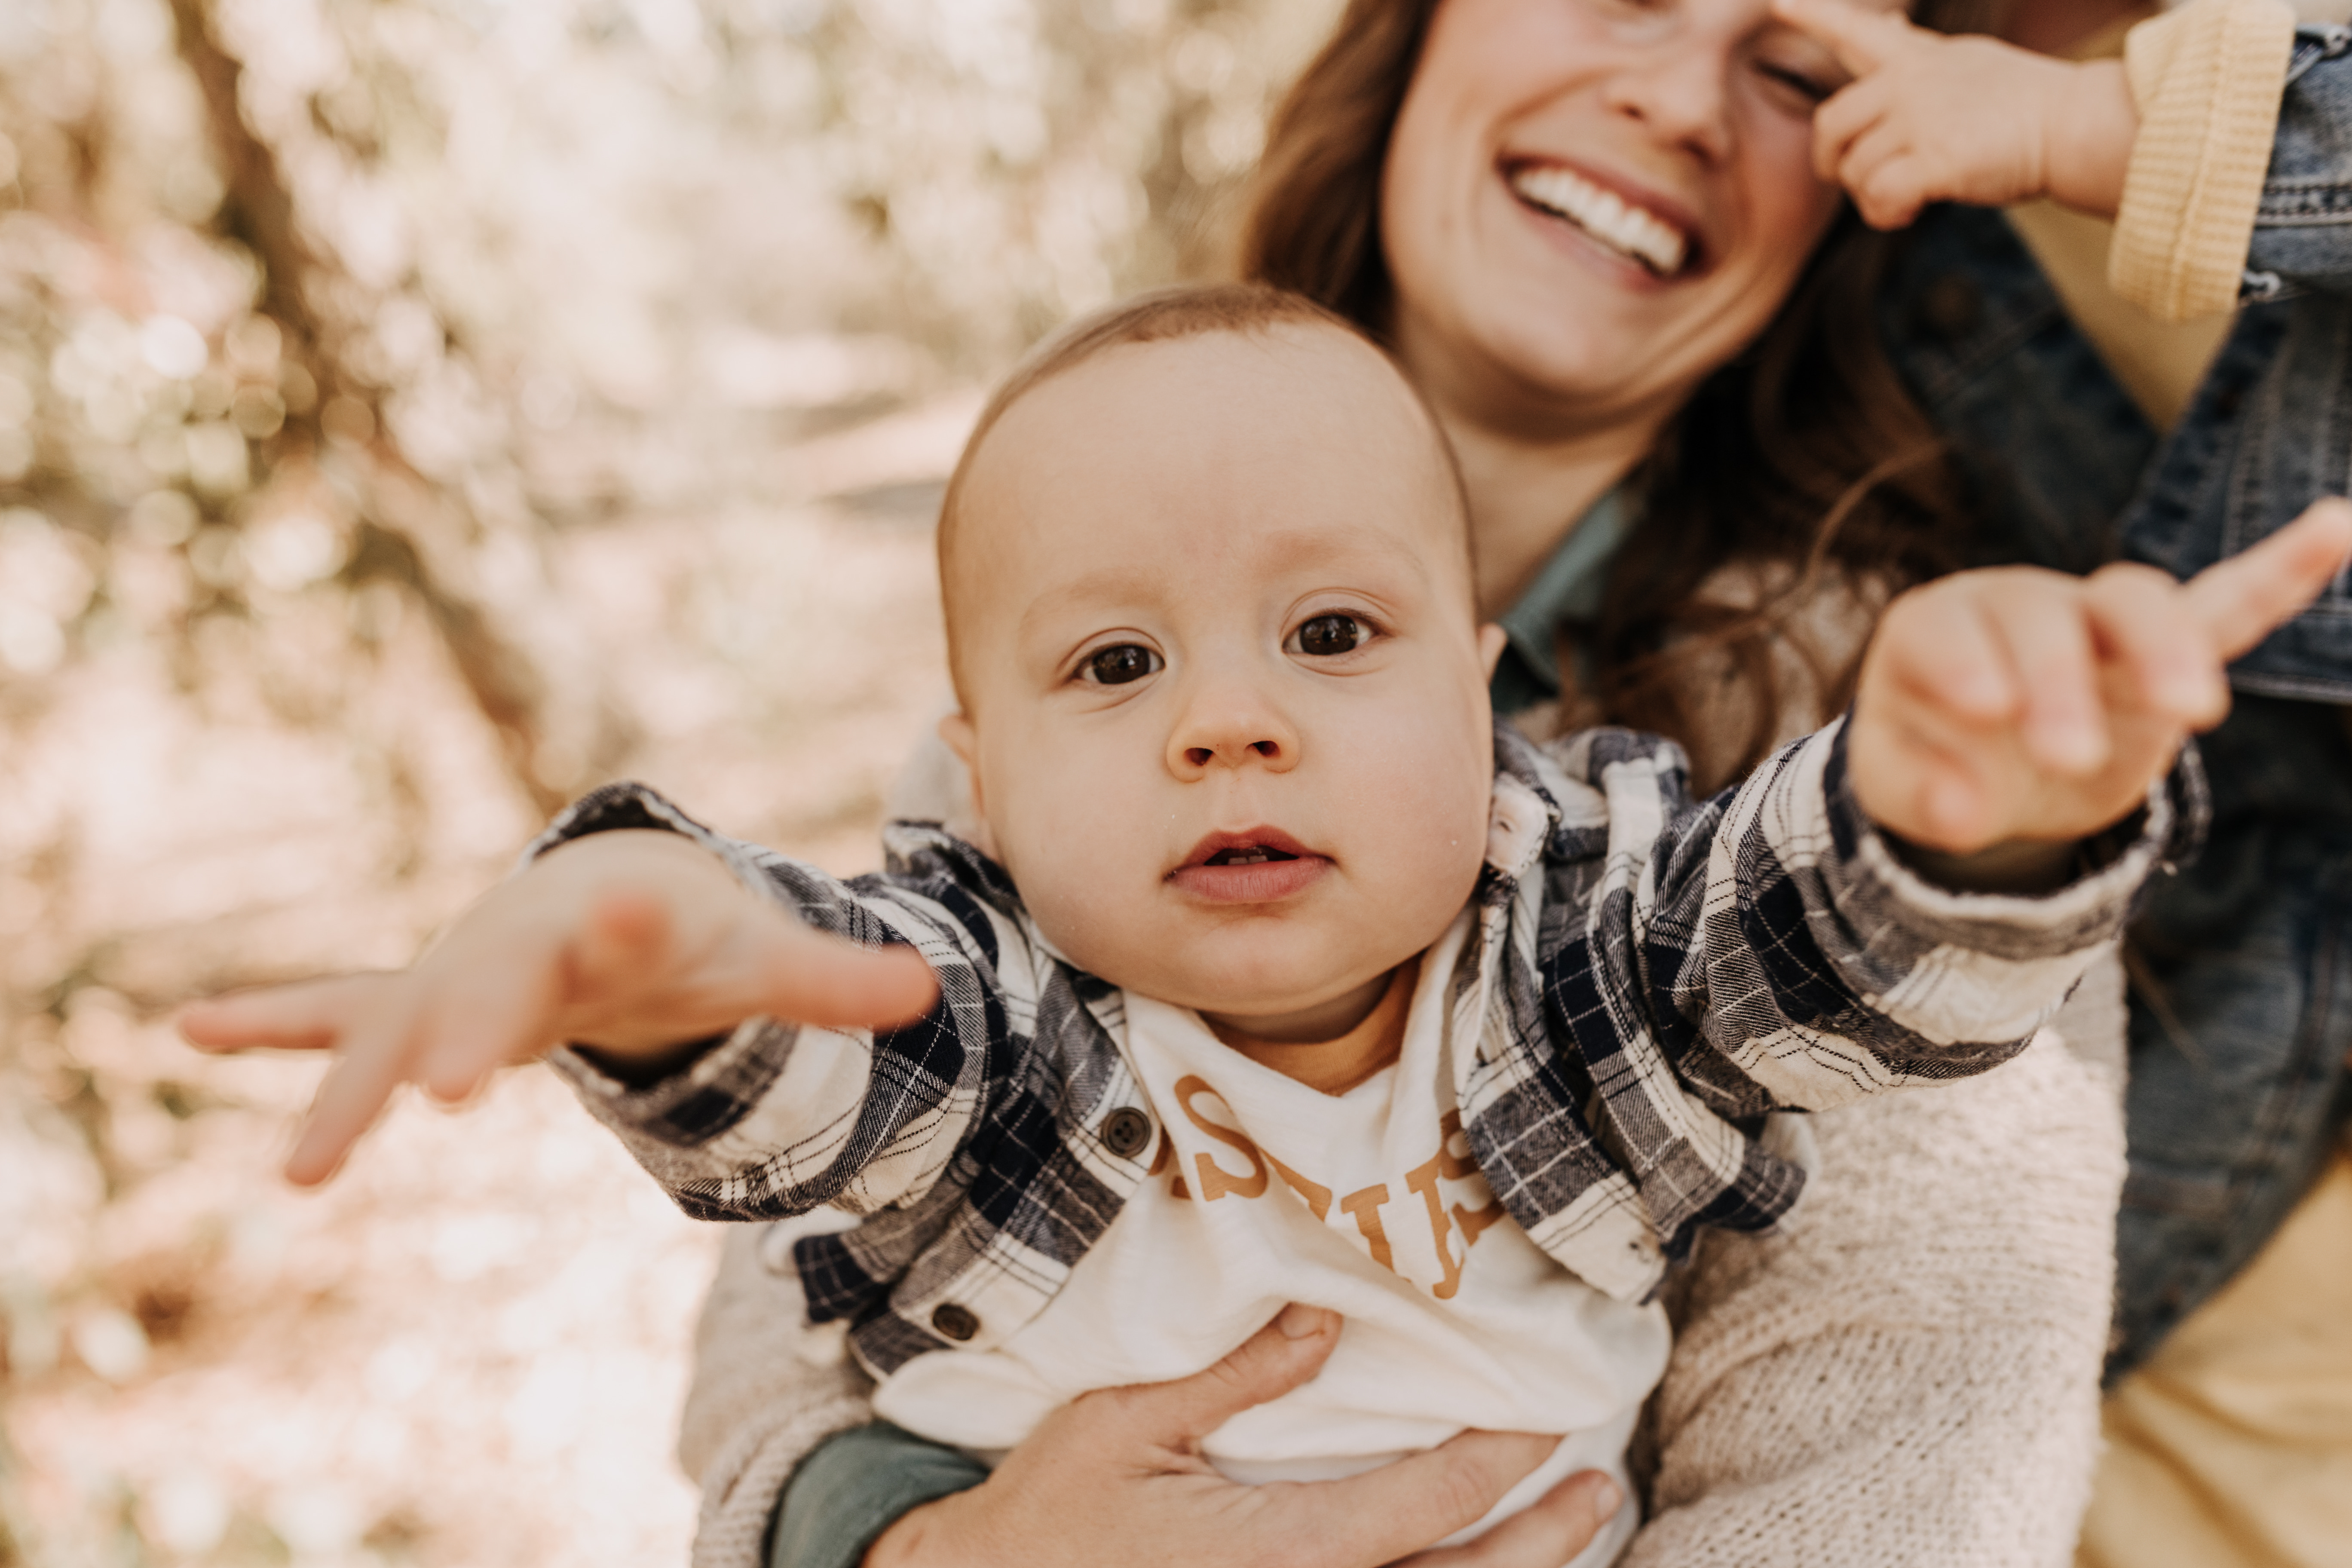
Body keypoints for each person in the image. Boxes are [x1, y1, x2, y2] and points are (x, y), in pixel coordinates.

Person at [180, 284, 2349, 1565]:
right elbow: (820, 1048)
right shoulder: (1022, 1020)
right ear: (983, 778)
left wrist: (1955, 814)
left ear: (1477, 693)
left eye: (1328, 635)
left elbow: (1809, 943)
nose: (1226, 722)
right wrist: (660, 942)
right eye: (1115, 671)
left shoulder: (1575, 954)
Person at [682, 2, 2352, 1567]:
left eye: (1786, 66)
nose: (1679, 98)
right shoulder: (1085, 554)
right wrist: (919, 1543)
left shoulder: (1885, 752)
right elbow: (800, 1291)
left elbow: (1905, 1465)